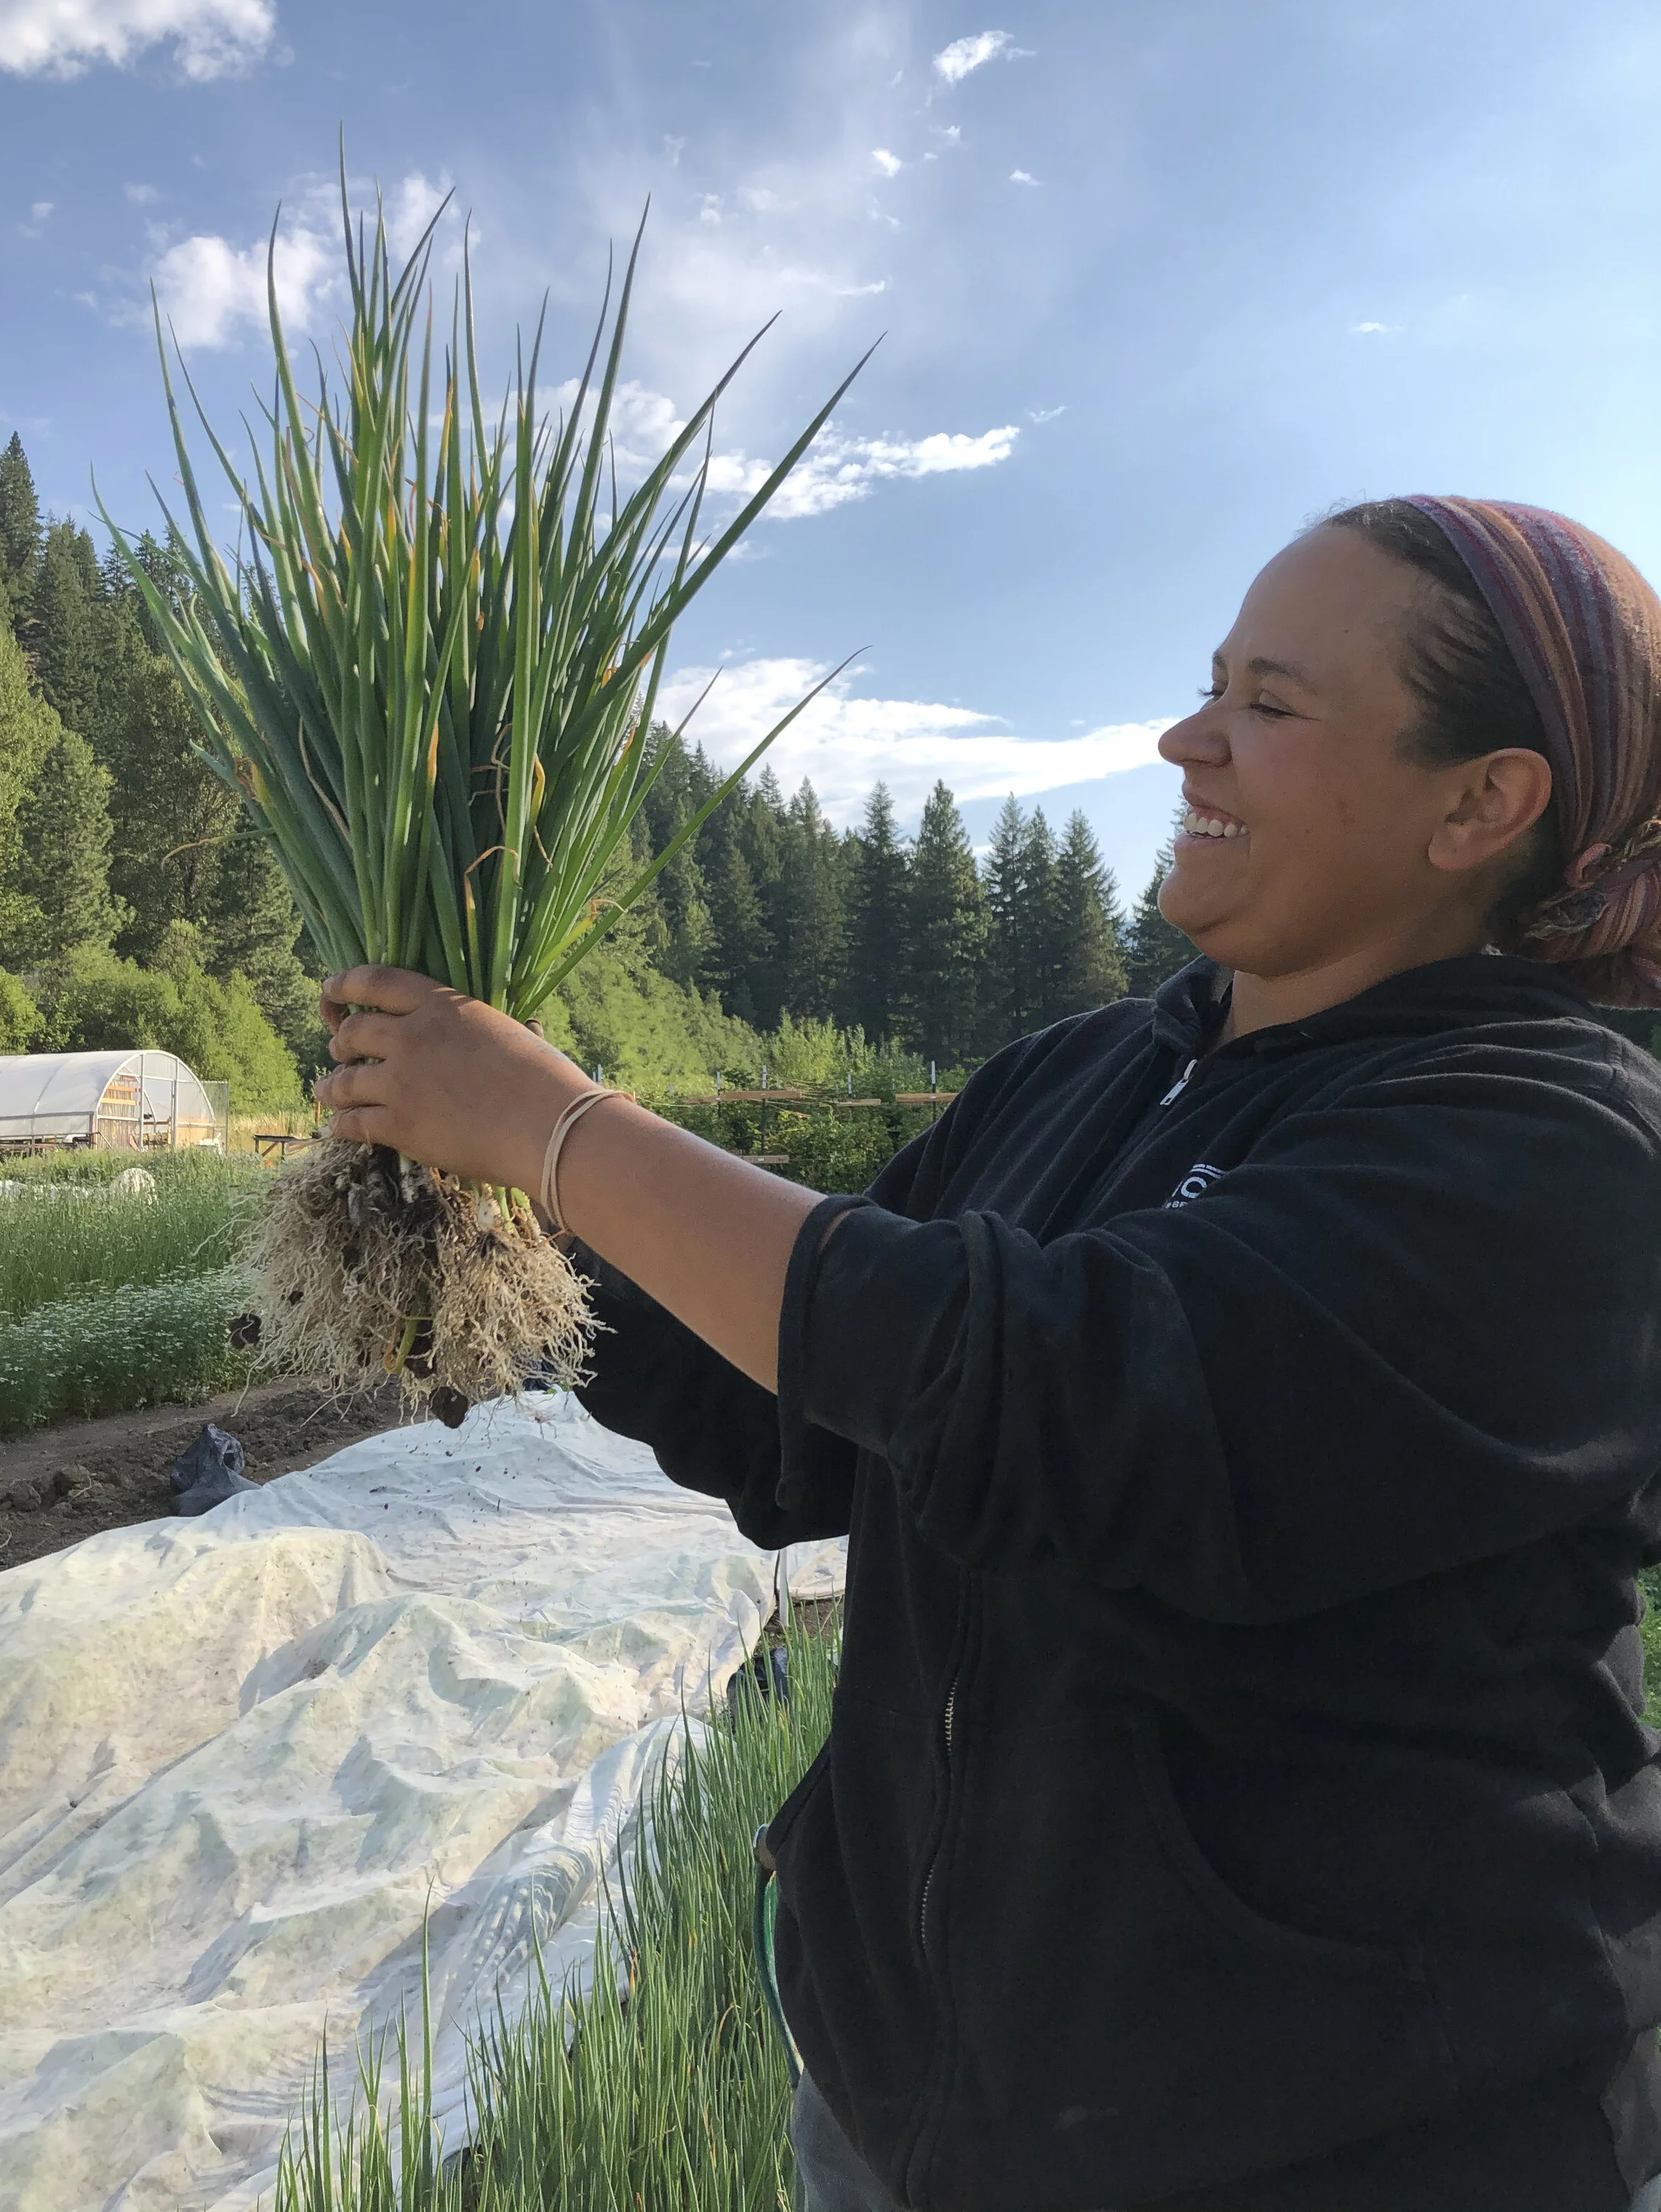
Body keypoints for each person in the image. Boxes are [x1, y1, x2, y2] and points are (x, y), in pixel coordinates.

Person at [316, 496, 1661, 2212]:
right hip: (910, 2127)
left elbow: (1058, 1399)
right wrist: (499, 1237)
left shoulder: (1556, 1146)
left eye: (1268, 703)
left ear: (1480, 800)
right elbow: (804, 1411)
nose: (1185, 741)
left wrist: (565, 1128)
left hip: (1343, 2145)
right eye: (1205, 686)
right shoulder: (1083, 1073)